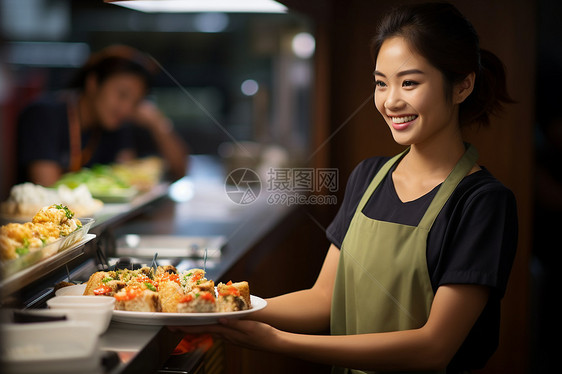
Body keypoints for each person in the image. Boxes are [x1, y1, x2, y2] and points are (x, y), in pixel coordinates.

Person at [173, 3, 518, 373]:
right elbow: (323, 299)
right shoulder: (369, 178)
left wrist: (278, 342)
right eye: (381, 83)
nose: (391, 101)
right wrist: (223, 304)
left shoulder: (481, 202)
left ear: (462, 85)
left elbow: (433, 347)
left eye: (410, 82)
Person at [16, 45, 188, 186]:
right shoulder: (43, 115)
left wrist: (157, 123)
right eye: (122, 94)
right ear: (93, 83)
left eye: (136, 102)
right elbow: (48, 189)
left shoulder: (116, 125)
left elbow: (179, 170)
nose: (127, 109)